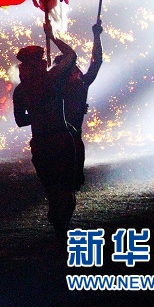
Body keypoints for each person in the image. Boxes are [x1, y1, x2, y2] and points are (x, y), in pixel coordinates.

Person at [13, 21, 77, 235]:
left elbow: (20, 121)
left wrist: (37, 115)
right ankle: (61, 228)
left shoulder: (21, 92)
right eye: (39, 61)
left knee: (53, 190)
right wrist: (53, 36)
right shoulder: (52, 78)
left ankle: (58, 223)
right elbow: (71, 56)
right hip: (59, 139)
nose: (42, 63)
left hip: (40, 143)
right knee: (66, 189)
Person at [54, 22, 103, 190]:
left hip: (74, 138)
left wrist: (97, 36)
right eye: (73, 68)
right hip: (57, 138)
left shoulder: (81, 84)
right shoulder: (55, 85)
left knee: (72, 181)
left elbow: (97, 62)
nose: (77, 70)